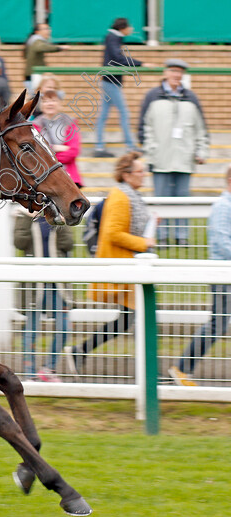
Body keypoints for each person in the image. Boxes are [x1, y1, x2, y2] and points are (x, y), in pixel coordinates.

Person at [65, 152, 155, 373]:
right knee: (135, 318)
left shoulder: (130, 195)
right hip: (124, 266)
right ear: (126, 174)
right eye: (139, 171)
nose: (144, 175)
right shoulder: (120, 197)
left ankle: (80, 351)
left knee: (129, 320)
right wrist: (144, 242)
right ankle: (149, 370)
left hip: (131, 265)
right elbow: (112, 233)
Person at [171, 165, 231, 386]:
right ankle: (182, 368)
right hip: (223, 274)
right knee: (218, 324)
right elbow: (222, 243)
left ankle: (182, 368)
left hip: (225, 272)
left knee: (219, 324)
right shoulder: (223, 207)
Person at [138, 59, 209, 246]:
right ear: (166, 72)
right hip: (160, 158)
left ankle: (181, 237)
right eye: (173, 71)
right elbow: (144, 128)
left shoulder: (191, 98)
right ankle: (159, 237)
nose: (176, 75)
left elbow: (200, 129)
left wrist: (201, 151)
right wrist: (151, 151)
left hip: (184, 159)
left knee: (183, 199)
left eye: (180, 72)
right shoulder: (152, 96)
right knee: (160, 200)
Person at [14, 208, 74, 382]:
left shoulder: (58, 213)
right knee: (31, 329)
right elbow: (19, 242)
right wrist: (27, 218)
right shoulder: (23, 215)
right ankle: (30, 374)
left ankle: (49, 368)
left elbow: (68, 243)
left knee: (64, 327)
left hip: (57, 283)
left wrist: (61, 221)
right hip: (34, 284)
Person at [94, 18, 145, 157]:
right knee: (124, 112)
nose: (131, 29)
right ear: (123, 28)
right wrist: (140, 64)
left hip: (109, 81)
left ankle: (99, 147)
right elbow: (117, 58)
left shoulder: (113, 38)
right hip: (111, 82)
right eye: (129, 27)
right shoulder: (113, 38)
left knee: (104, 114)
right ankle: (130, 146)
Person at [32, 90, 83, 187]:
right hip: (44, 178)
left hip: (69, 177)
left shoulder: (70, 122)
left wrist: (49, 152)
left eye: (53, 100)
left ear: (60, 103)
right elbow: (36, 153)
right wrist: (57, 148)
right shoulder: (34, 125)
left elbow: (74, 150)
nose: (50, 104)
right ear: (41, 104)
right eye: (46, 101)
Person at [23, 23, 69, 94]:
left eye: (48, 29)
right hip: (34, 75)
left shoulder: (33, 40)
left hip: (33, 75)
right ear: (37, 31)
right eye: (45, 29)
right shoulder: (36, 40)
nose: (48, 31)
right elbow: (41, 47)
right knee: (36, 98)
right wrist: (59, 48)